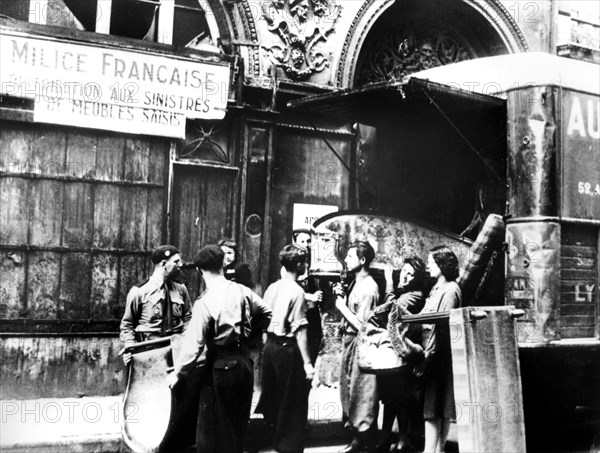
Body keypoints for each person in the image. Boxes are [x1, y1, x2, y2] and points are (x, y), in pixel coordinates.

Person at [167, 245, 272, 453]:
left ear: (199, 270)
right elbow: (266, 312)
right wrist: (249, 337)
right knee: (238, 424)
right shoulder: (242, 291)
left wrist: (178, 374)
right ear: (223, 264)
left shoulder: (204, 302)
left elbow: (193, 346)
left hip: (221, 366)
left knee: (218, 429)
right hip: (244, 363)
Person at [256, 243, 316, 453]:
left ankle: (275, 441)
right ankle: (288, 447)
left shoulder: (272, 287)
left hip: (270, 348)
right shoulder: (297, 291)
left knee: (273, 397)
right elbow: (300, 329)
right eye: (304, 262)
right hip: (286, 349)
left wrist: (267, 348)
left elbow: (263, 321)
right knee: (292, 401)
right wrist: (308, 363)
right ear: (299, 265)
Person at [375, 257, 427, 453]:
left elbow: (388, 309)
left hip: (406, 352)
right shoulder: (408, 293)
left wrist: (388, 281)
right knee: (392, 396)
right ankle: (387, 437)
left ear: (417, 278)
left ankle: (402, 439)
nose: (404, 275)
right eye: (403, 271)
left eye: (410, 273)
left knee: (401, 396)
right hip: (400, 351)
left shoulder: (414, 296)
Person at [414, 246, 461, 453]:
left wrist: (426, 358)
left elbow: (439, 328)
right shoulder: (437, 288)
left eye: (432, 263)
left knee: (435, 407)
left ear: (442, 265)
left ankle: (432, 450)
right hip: (435, 354)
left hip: (440, 355)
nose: (429, 267)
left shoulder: (451, 290)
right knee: (436, 406)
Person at [333, 241, 380, 453]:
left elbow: (363, 325)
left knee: (361, 392)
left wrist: (342, 308)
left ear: (362, 261)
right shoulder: (357, 282)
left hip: (360, 343)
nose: (346, 260)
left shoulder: (369, 288)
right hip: (350, 341)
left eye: (350, 257)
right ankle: (357, 439)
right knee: (350, 388)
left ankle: (362, 442)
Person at [120, 245, 192, 364]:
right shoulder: (139, 291)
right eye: (176, 262)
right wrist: (130, 349)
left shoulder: (181, 288)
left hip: (177, 351)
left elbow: (188, 317)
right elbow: (127, 324)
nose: (180, 265)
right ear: (164, 264)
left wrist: (185, 341)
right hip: (149, 351)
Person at [292, 228, 323, 365]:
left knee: (313, 347)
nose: (305, 245)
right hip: (298, 313)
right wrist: (311, 296)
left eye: (308, 241)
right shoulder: (289, 266)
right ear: (295, 242)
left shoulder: (314, 263)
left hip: (312, 314)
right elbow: (290, 290)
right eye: (302, 241)